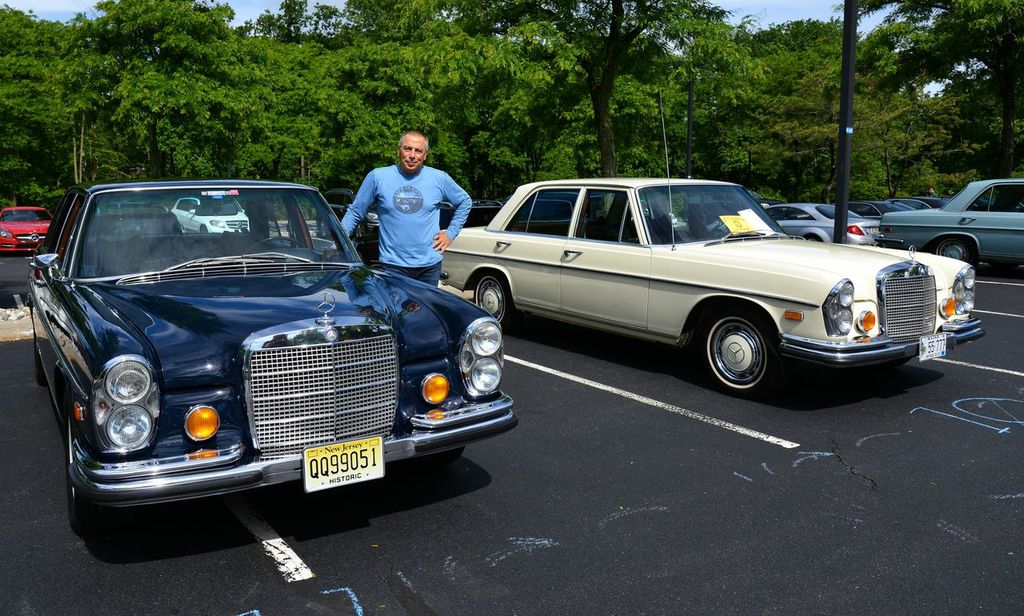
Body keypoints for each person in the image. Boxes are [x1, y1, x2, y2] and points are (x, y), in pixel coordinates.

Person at [341, 130, 472, 287]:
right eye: (407, 149)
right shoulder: (378, 177)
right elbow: (355, 212)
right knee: (395, 312)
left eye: (418, 151)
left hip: (429, 267)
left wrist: (450, 233)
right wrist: (336, 242)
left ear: (425, 155)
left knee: (426, 311)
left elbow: (465, 201)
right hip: (393, 266)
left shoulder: (439, 178)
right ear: (398, 151)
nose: (412, 155)